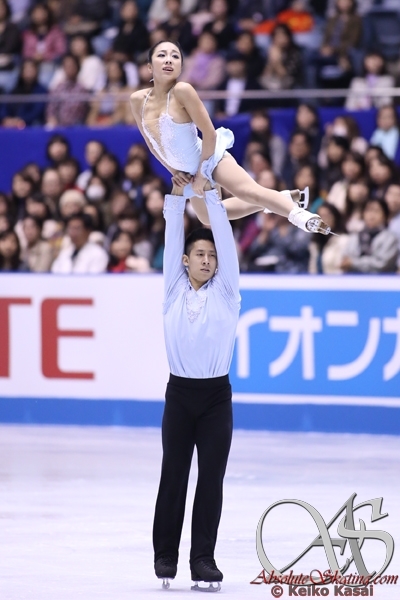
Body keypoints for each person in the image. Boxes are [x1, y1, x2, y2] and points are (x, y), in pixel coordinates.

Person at [129, 40, 330, 237]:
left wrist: (202, 173)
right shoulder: (137, 100)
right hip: (187, 171)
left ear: (181, 67)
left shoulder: (183, 91)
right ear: (149, 66)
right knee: (207, 216)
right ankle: (281, 199)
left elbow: (210, 133)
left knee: (248, 192)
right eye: (162, 55)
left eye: (175, 56)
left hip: (208, 158)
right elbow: (151, 142)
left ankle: (302, 217)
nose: (168, 60)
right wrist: (175, 171)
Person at [152, 183, 239, 590]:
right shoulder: (173, 290)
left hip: (216, 399)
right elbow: (173, 238)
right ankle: (165, 555)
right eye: (200, 255)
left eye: (212, 256)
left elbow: (223, 236)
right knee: (174, 474)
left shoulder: (227, 291)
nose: (207, 260)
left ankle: (203, 558)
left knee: (211, 479)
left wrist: (212, 198)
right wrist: (177, 197)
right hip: (180, 397)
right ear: (186, 261)